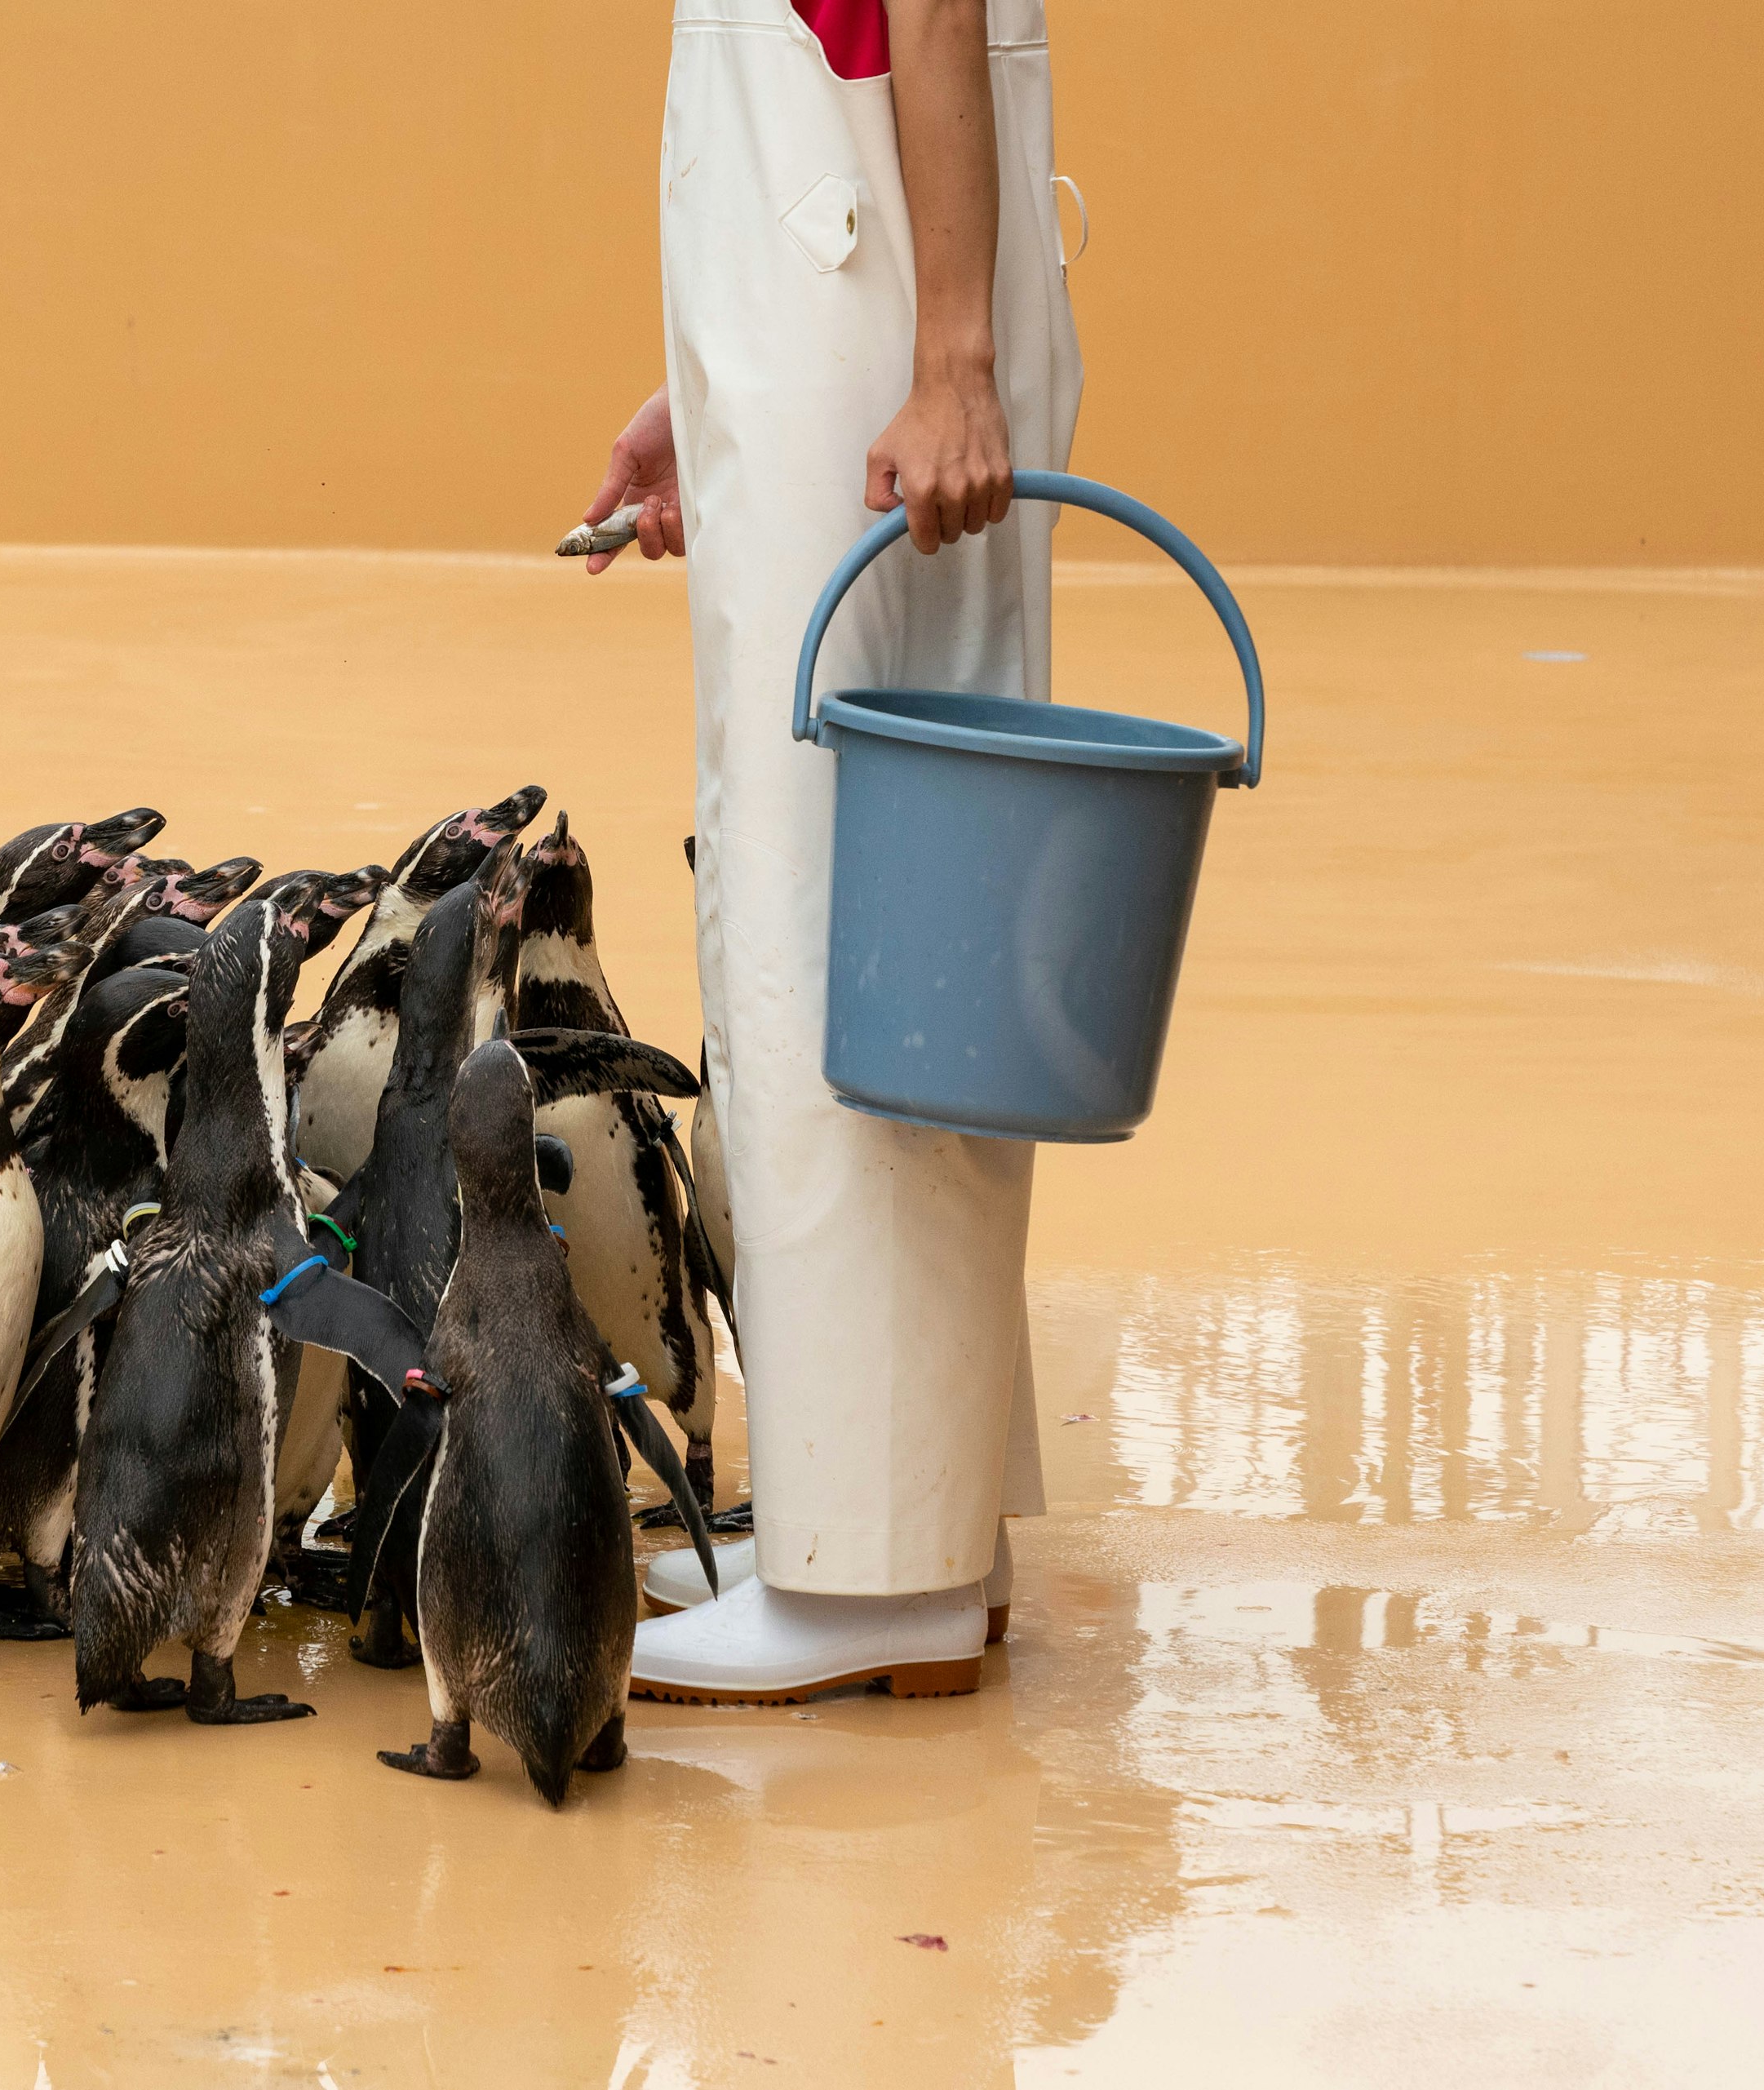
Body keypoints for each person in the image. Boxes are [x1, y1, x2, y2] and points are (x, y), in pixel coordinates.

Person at [587, 0, 1080, 1702]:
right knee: (901, 895)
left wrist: (945, 357)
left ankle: (868, 1582)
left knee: (828, 906)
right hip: (844, 288)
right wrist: (718, 374)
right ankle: (913, 1522)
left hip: (880, 312)